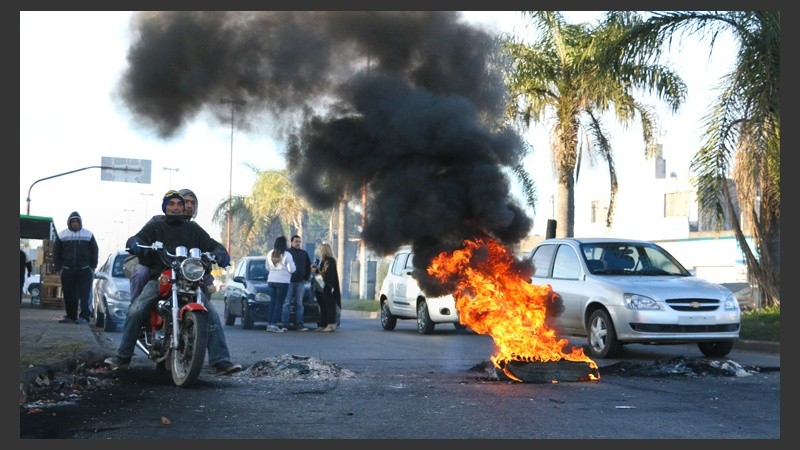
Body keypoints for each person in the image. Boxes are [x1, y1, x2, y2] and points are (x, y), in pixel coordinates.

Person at [104, 190, 241, 375]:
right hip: (160, 278)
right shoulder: (156, 227)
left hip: (189, 280)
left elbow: (210, 243)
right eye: (171, 204)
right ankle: (122, 357)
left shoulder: (193, 230)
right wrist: (136, 243)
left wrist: (220, 252)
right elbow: (138, 238)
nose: (176, 207)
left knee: (212, 315)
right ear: (165, 207)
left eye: (179, 204)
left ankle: (221, 361)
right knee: (137, 309)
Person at [52, 212, 99, 324]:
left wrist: (92, 268)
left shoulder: (88, 234)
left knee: (84, 295)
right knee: (69, 295)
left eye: (77, 221)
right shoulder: (62, 234)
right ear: (69, 222)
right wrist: (59, 268)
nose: (75, 223)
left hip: (84, 270)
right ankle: (71, 316)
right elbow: (56, 252)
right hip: (67, 270)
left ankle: (84, 317)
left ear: (80, 222)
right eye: (73, 221)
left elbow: (95, 251)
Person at [265, 236, 295, 333]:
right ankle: (274, 325)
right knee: (279, 303)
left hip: (271, 280)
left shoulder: (270, 253)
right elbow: (292, 269)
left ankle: (269, 324)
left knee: (272, 303)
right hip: (283, 281)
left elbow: (267, 267)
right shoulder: (287, 255)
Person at [282, 235, 311, 331]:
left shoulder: (304, 253)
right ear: (291, 242)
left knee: (299, 304)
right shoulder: (287, 253)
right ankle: (285, 325)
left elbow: (308, 266)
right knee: (286, 303)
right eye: (296, 241)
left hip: (300, 282)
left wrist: (305, 278)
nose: (298, 243)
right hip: (289, 282)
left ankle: (299, 325)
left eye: (299, 241)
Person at [311, 243, 341, 332]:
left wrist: (316, 270)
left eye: (321, 249)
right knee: (322, 305)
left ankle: (330, 324)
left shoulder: (330, 260)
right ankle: (322, 324)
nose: (319, 251)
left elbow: (325, 273)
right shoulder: (322, 260)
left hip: (326, 286)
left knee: (329, 305)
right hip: (319, 285)